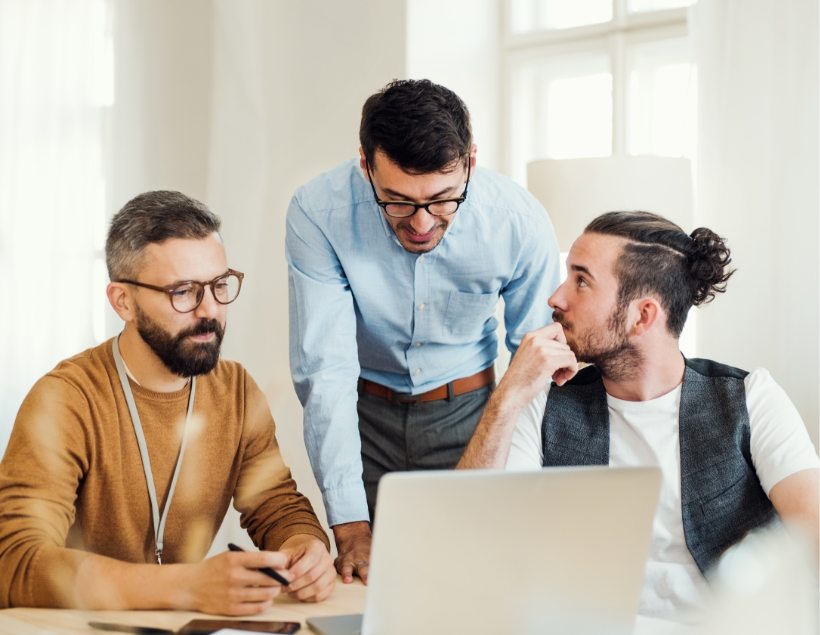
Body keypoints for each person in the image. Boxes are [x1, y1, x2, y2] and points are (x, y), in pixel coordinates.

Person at [458, 211, 819, 621]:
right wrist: (508, 394)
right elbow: (474, 542)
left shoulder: (751, 397)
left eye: (581, 280)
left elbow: (813, 534)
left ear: (642, 316)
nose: (556, 298)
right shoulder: (542, 403)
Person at [0, 191, 335, 614]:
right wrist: (186, 586)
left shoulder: (236, 391)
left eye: (218, 285)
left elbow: (278, 506)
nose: (209, 310)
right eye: (183, 292)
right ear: (123, 301)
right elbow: (15, 562)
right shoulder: (65, 399)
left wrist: (307, 549)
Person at [287, 79, 560, 583]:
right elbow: (325, 372)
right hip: (362, 420)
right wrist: (349, 527)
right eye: (396, 201)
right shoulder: (317, 212)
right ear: (365, 165)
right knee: (375, 590)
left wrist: (527, 474)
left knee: (474, 584)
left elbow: (539, 361)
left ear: (471, 163)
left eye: (442, 200)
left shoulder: (517, 221)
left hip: (471, 414)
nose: (421, 223)